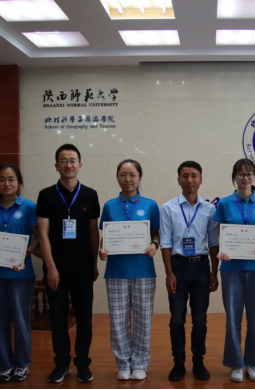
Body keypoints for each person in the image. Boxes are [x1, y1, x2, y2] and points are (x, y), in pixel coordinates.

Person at [36, 144, 100, 384]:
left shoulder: (90, 195)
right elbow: (43, 233)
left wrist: (94, 263)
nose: (68, 165)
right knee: (58, 317)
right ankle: (61, 363)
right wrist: (51, 267)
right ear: (56, 166)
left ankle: (83, 363)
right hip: (57, 268)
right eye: (63, 161)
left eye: (73, 160)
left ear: (80, 165)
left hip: (83, 267)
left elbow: (93, 232)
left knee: (84, 318)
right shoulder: (46, 195)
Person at [214, 159, 255, 383]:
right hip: (231, 268)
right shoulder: (224, 203)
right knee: (233, 319)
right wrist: (223, 248)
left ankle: (252, 363)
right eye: (241, 174)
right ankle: (235, 364)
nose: (245, 178)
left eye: (249, 174)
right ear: (234, 177)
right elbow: (219, 233)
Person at [0, 164, 40, 383]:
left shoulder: (29, 207)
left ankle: (22, 364)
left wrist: (25, 254)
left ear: (19, 182)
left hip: (20, 273)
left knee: (21, 321)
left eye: (11, 179)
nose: (7, 184)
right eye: (2, 179)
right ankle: (5, 365)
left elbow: (38, 238)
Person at [99, 160, 161, 382]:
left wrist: (154, 245)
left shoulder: (150, 205)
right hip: (116, 272)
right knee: (118, 321)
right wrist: (101, 249)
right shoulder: (109, 206)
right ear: (117, 177)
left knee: (143, 320)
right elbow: (106, 236)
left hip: (143, 271)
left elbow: (156, 234)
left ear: (139, 177)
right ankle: (123, 363)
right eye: (123, 174)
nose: (128, 179)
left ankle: (140, 363)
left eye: (132, 174)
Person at [160, 161, 219, 382]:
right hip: (178, 267)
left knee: (200, 320)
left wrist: (214, 273)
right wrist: (169, 273)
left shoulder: (209, 210)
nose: (190, 180)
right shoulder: (168, 208)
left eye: (194, 175)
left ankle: (198, 361)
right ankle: (178, 362)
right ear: (178, 180)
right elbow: (166, 243)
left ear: (201, 179)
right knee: (177, 319)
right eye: (185, 176)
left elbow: (213, 243)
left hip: (202, 267)